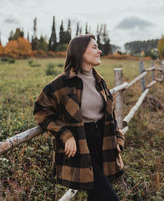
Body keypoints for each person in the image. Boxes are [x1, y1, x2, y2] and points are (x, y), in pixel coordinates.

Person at [33, 34, 125, 200]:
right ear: (81, 52)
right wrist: (65, 134)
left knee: (96, 195)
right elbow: (41, 110)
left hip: (102, 140)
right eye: (95, 47)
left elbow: (109, 115)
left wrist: (117, 139)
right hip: (82, 143)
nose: (100, 51)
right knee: (109, 197)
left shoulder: (99, 80)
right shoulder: (63, 83)